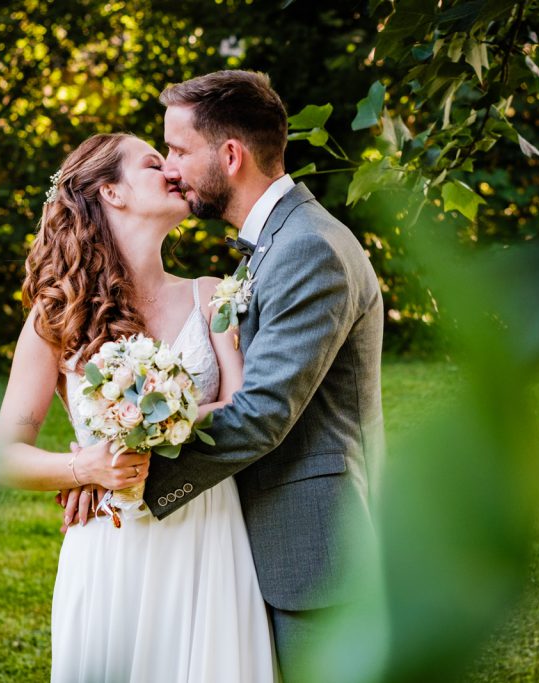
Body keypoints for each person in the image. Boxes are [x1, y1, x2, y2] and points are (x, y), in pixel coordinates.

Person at [0, 132, 278, 682]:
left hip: (207, 531)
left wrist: (160, 424)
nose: (172, 169)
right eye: (153, 162)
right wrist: (86, 467)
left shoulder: (211, 295)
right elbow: (6, 457)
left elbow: (245, 409)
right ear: (112, 193)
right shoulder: (56, 318)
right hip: (111, 542)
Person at [148, 70, 385, 680]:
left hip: (317, 553)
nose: (169, 168)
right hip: (277, 541)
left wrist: (129, 477)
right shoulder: (280, 243)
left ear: (230, 155)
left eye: (177, 150)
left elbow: (261, 415)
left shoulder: (309, 249)